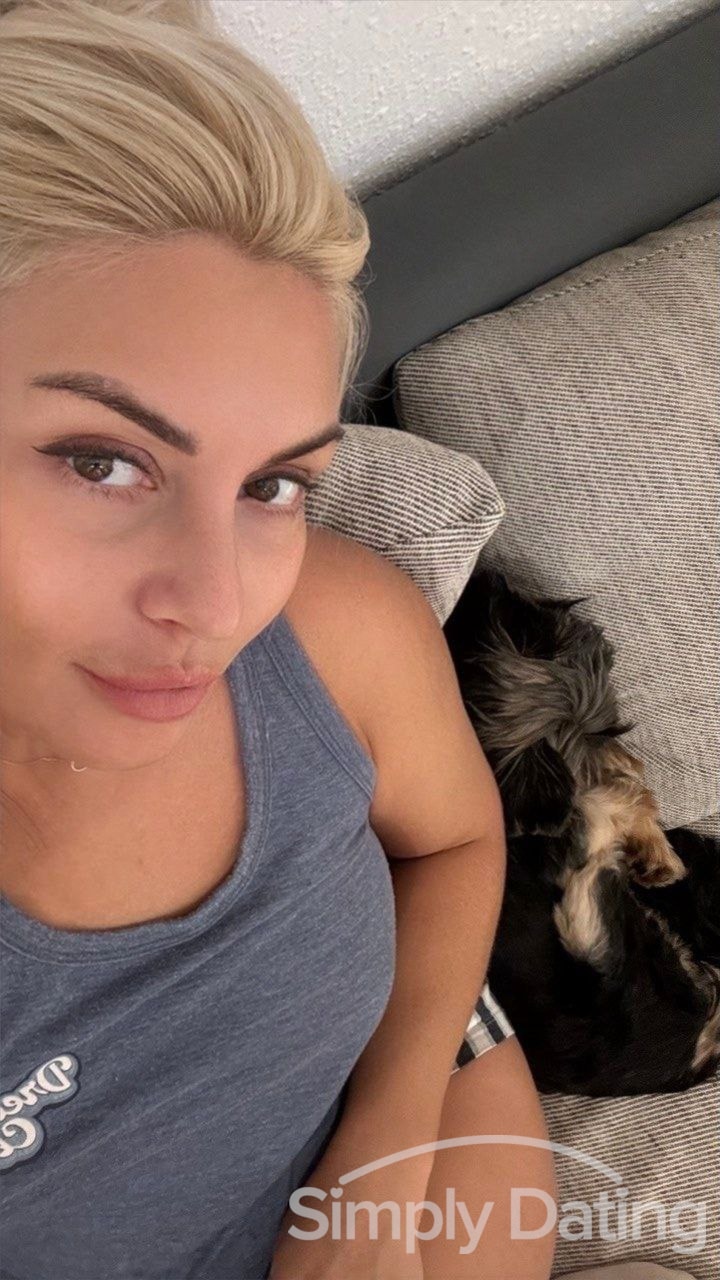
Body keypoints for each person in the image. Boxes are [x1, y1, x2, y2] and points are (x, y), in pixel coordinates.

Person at [0, 1, 558, 1276]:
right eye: (102, 461)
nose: (216, 607)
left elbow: (456, 840)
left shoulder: (337, 633)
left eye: (274, 484)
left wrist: (378, 1168)